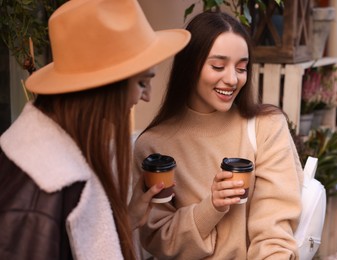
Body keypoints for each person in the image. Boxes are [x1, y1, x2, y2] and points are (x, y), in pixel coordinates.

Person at [0, 0, 190, 259]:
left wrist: (128, 219)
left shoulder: (58, 154)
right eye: (143, 83)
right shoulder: (44, 191)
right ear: (104, 88)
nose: (147, 97)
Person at [133, 11, 303, 259]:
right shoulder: (153, 147)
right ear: (190, 66)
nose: (232, 79)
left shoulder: (266, 126)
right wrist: (210, 208)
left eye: (242, 68)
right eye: (218, 66)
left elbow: (274, 233)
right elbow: (159, 239)